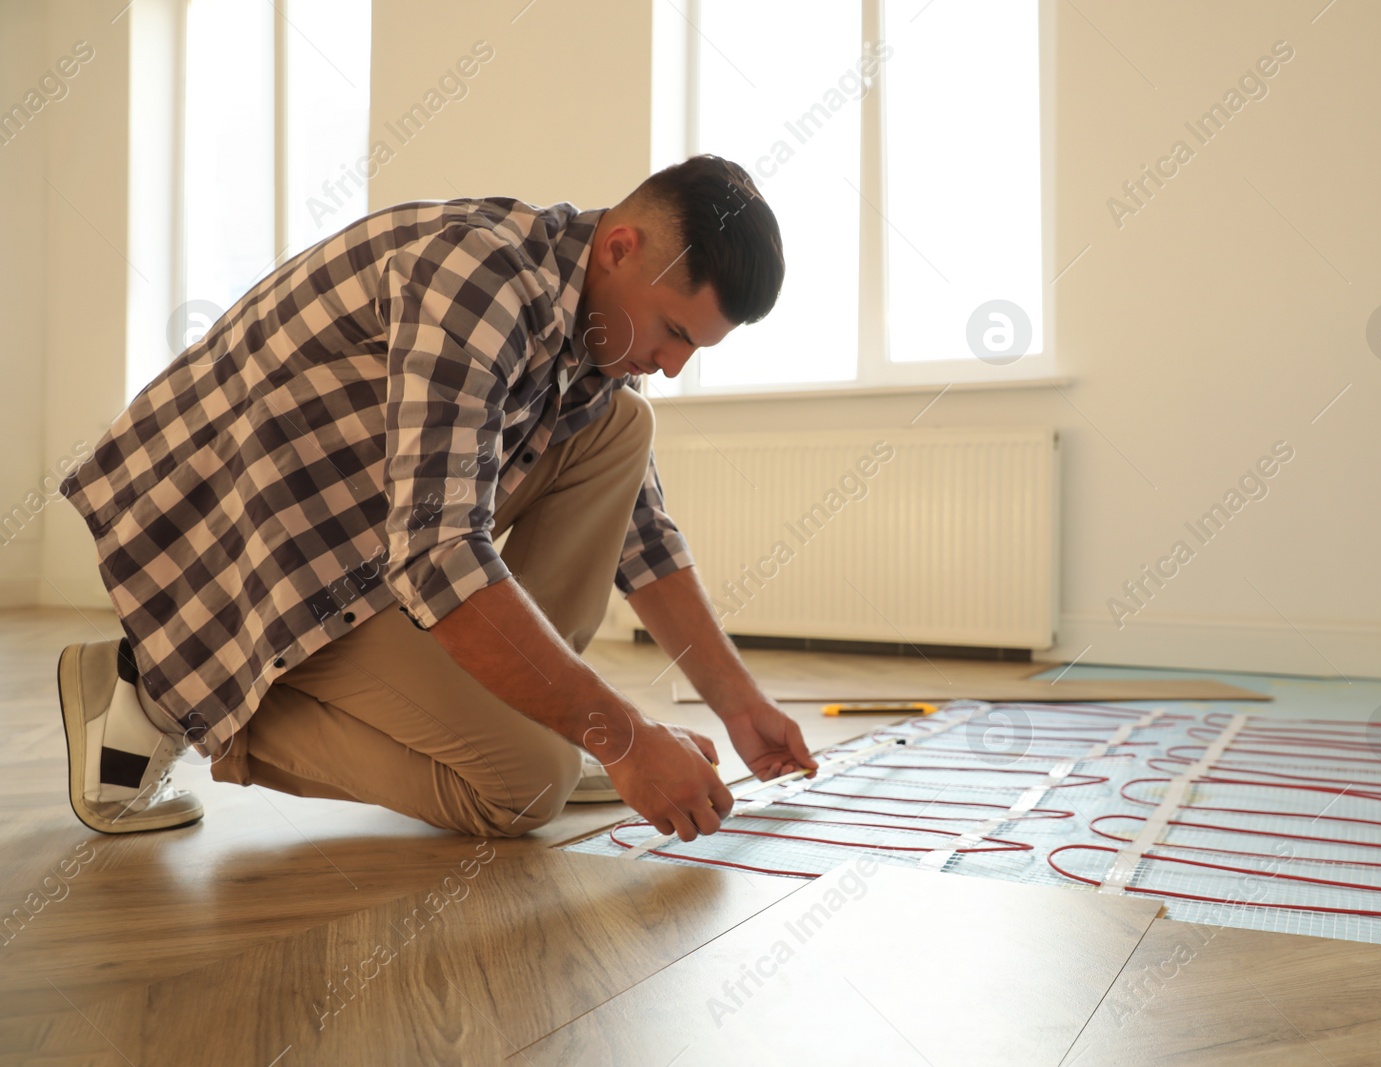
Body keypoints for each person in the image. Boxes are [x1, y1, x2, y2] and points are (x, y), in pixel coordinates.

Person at [55, 153, 817, 842]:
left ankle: (534, 722)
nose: (674, 365)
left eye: (694, 348)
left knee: (622, 427)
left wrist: (740, 703)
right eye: (674, 331)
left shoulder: (594, 336)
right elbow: (437, 554)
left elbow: (641, 536)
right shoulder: (477, 277)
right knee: (525, 787)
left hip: (356, 544)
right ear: (620, 248)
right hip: (237, 567)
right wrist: (621, 740)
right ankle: (163, 688)